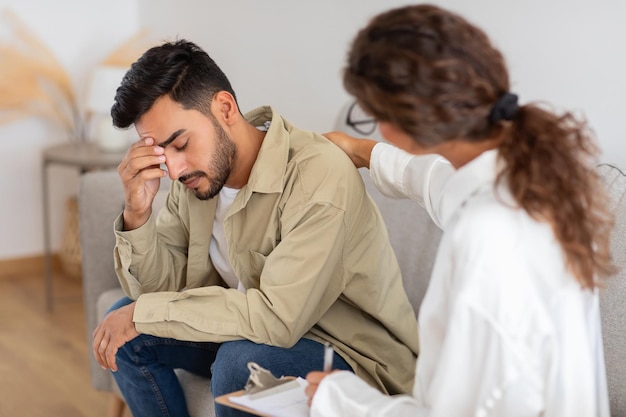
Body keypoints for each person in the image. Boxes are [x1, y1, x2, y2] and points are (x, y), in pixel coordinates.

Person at [306, 4, 614, 417]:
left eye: (372, 113)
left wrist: (338, 398)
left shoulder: (489, 236)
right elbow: (439, 184)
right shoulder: (536, 181)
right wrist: (362, 151)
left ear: (400, 121)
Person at [90, 39, 419, 417]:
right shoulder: (196, 181)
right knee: (125, 331)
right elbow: (158, 294)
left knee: (239, 362)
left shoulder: (317, 175)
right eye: (163, 155)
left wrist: (143, 313)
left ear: (225, 108)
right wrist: (137, 212)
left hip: (349, 356)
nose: (175, 171)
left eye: (180, 144)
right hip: (252, 332)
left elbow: (277, 320)